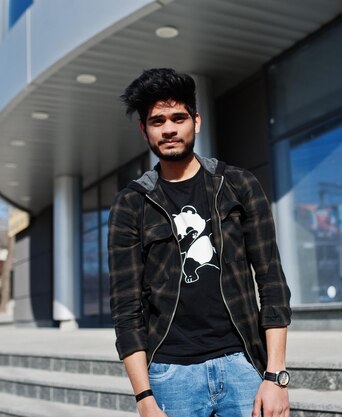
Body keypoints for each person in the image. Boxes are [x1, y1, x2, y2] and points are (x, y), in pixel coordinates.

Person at [109, 68, 292, 417]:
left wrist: (276, 376)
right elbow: (126, 308)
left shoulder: (239, 185)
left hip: (244, 366)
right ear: (144, 130)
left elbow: (271, 281)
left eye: (178, 117)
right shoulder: (131, 204)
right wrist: (144, 397)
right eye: (157, 120)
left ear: (196, 121)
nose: (169, 129)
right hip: (170, 376)